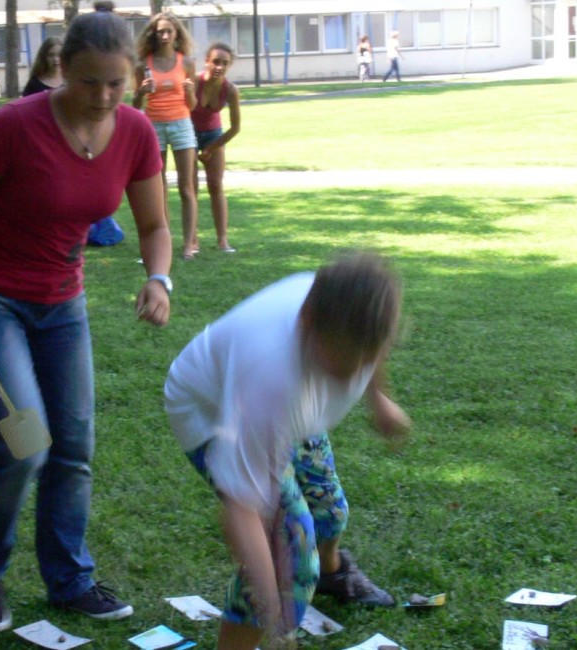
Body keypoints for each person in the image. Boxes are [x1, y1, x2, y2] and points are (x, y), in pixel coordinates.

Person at [0, 0, 172, 633]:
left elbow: (152, 225)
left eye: (116, 83)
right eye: (88, 81)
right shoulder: (12, 126)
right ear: (61, 69)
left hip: (62, 305)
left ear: (135, 77)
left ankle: (70, 580)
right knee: (25, 444)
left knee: (73, 449)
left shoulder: (137, 133)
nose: (101, 95)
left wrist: (158, 277)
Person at [165, 252, 412, 650]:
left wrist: (379, 398)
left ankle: (334, 575)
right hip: (211, 413)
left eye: (362, 362)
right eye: (342, 364)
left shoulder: (356, 315)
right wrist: (276, 614)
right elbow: (243, 512)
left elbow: (373, 346)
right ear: (307, 322)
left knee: (330, 512)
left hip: (291, 409)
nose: (350, 376)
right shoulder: (269, 381)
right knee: (292, 557)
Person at [132, 12, 200, 260]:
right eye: (160, 31)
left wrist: (191, 93)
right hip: (153, 127)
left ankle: (188, 247)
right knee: (158, 189)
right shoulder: (143, 65)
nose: (164, 35)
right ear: (154, 34)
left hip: (181, 124)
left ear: (176, 34)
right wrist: (140, 91)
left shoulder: (187, 63)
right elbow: (135, 104)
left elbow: (192, 105)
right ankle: (163, 245)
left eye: (169, 31)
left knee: (186, 188)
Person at [191, 42, 240, 254]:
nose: (219, 66)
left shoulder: (230, 90)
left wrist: (211, 148)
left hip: (214, 135)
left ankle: (223, 240)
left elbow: (235, 127)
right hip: (189, 134)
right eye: (216, 62)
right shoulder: (193, 82)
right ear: (206, 62)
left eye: (225, 63)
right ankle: (192, 241)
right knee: (190, 188)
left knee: (215, 186)